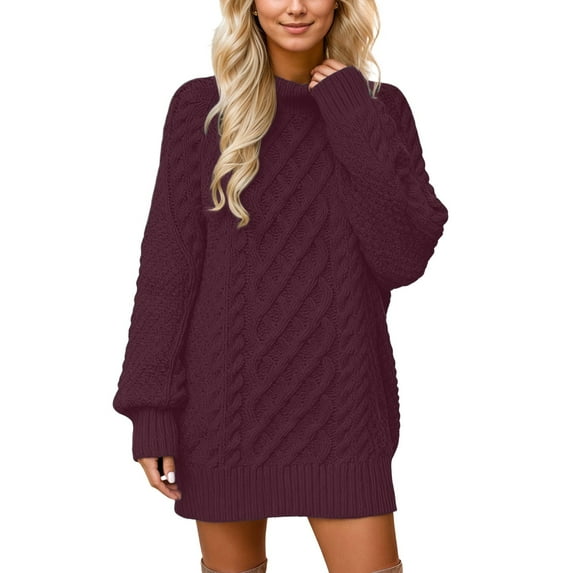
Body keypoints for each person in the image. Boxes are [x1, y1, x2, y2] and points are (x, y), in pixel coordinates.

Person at [112, 0, 448, 571]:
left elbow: (402, 259)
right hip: (223, 411)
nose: (295, 7)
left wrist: (349, 111)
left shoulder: (378, 108)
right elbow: (168, 270)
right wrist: (152, 411)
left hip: (345, 409)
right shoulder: (202, 108)